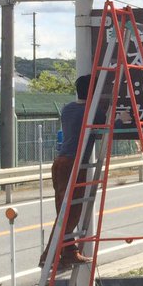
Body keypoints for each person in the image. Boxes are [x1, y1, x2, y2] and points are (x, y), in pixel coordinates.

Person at [46, 73, 95, 267]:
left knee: (63, 210)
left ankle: (69, 252)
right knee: (71, 213)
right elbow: (110, 125)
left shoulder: (68, 109)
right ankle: (49, 257)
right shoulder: (91, 112)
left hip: (59, 162)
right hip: (74, 164)